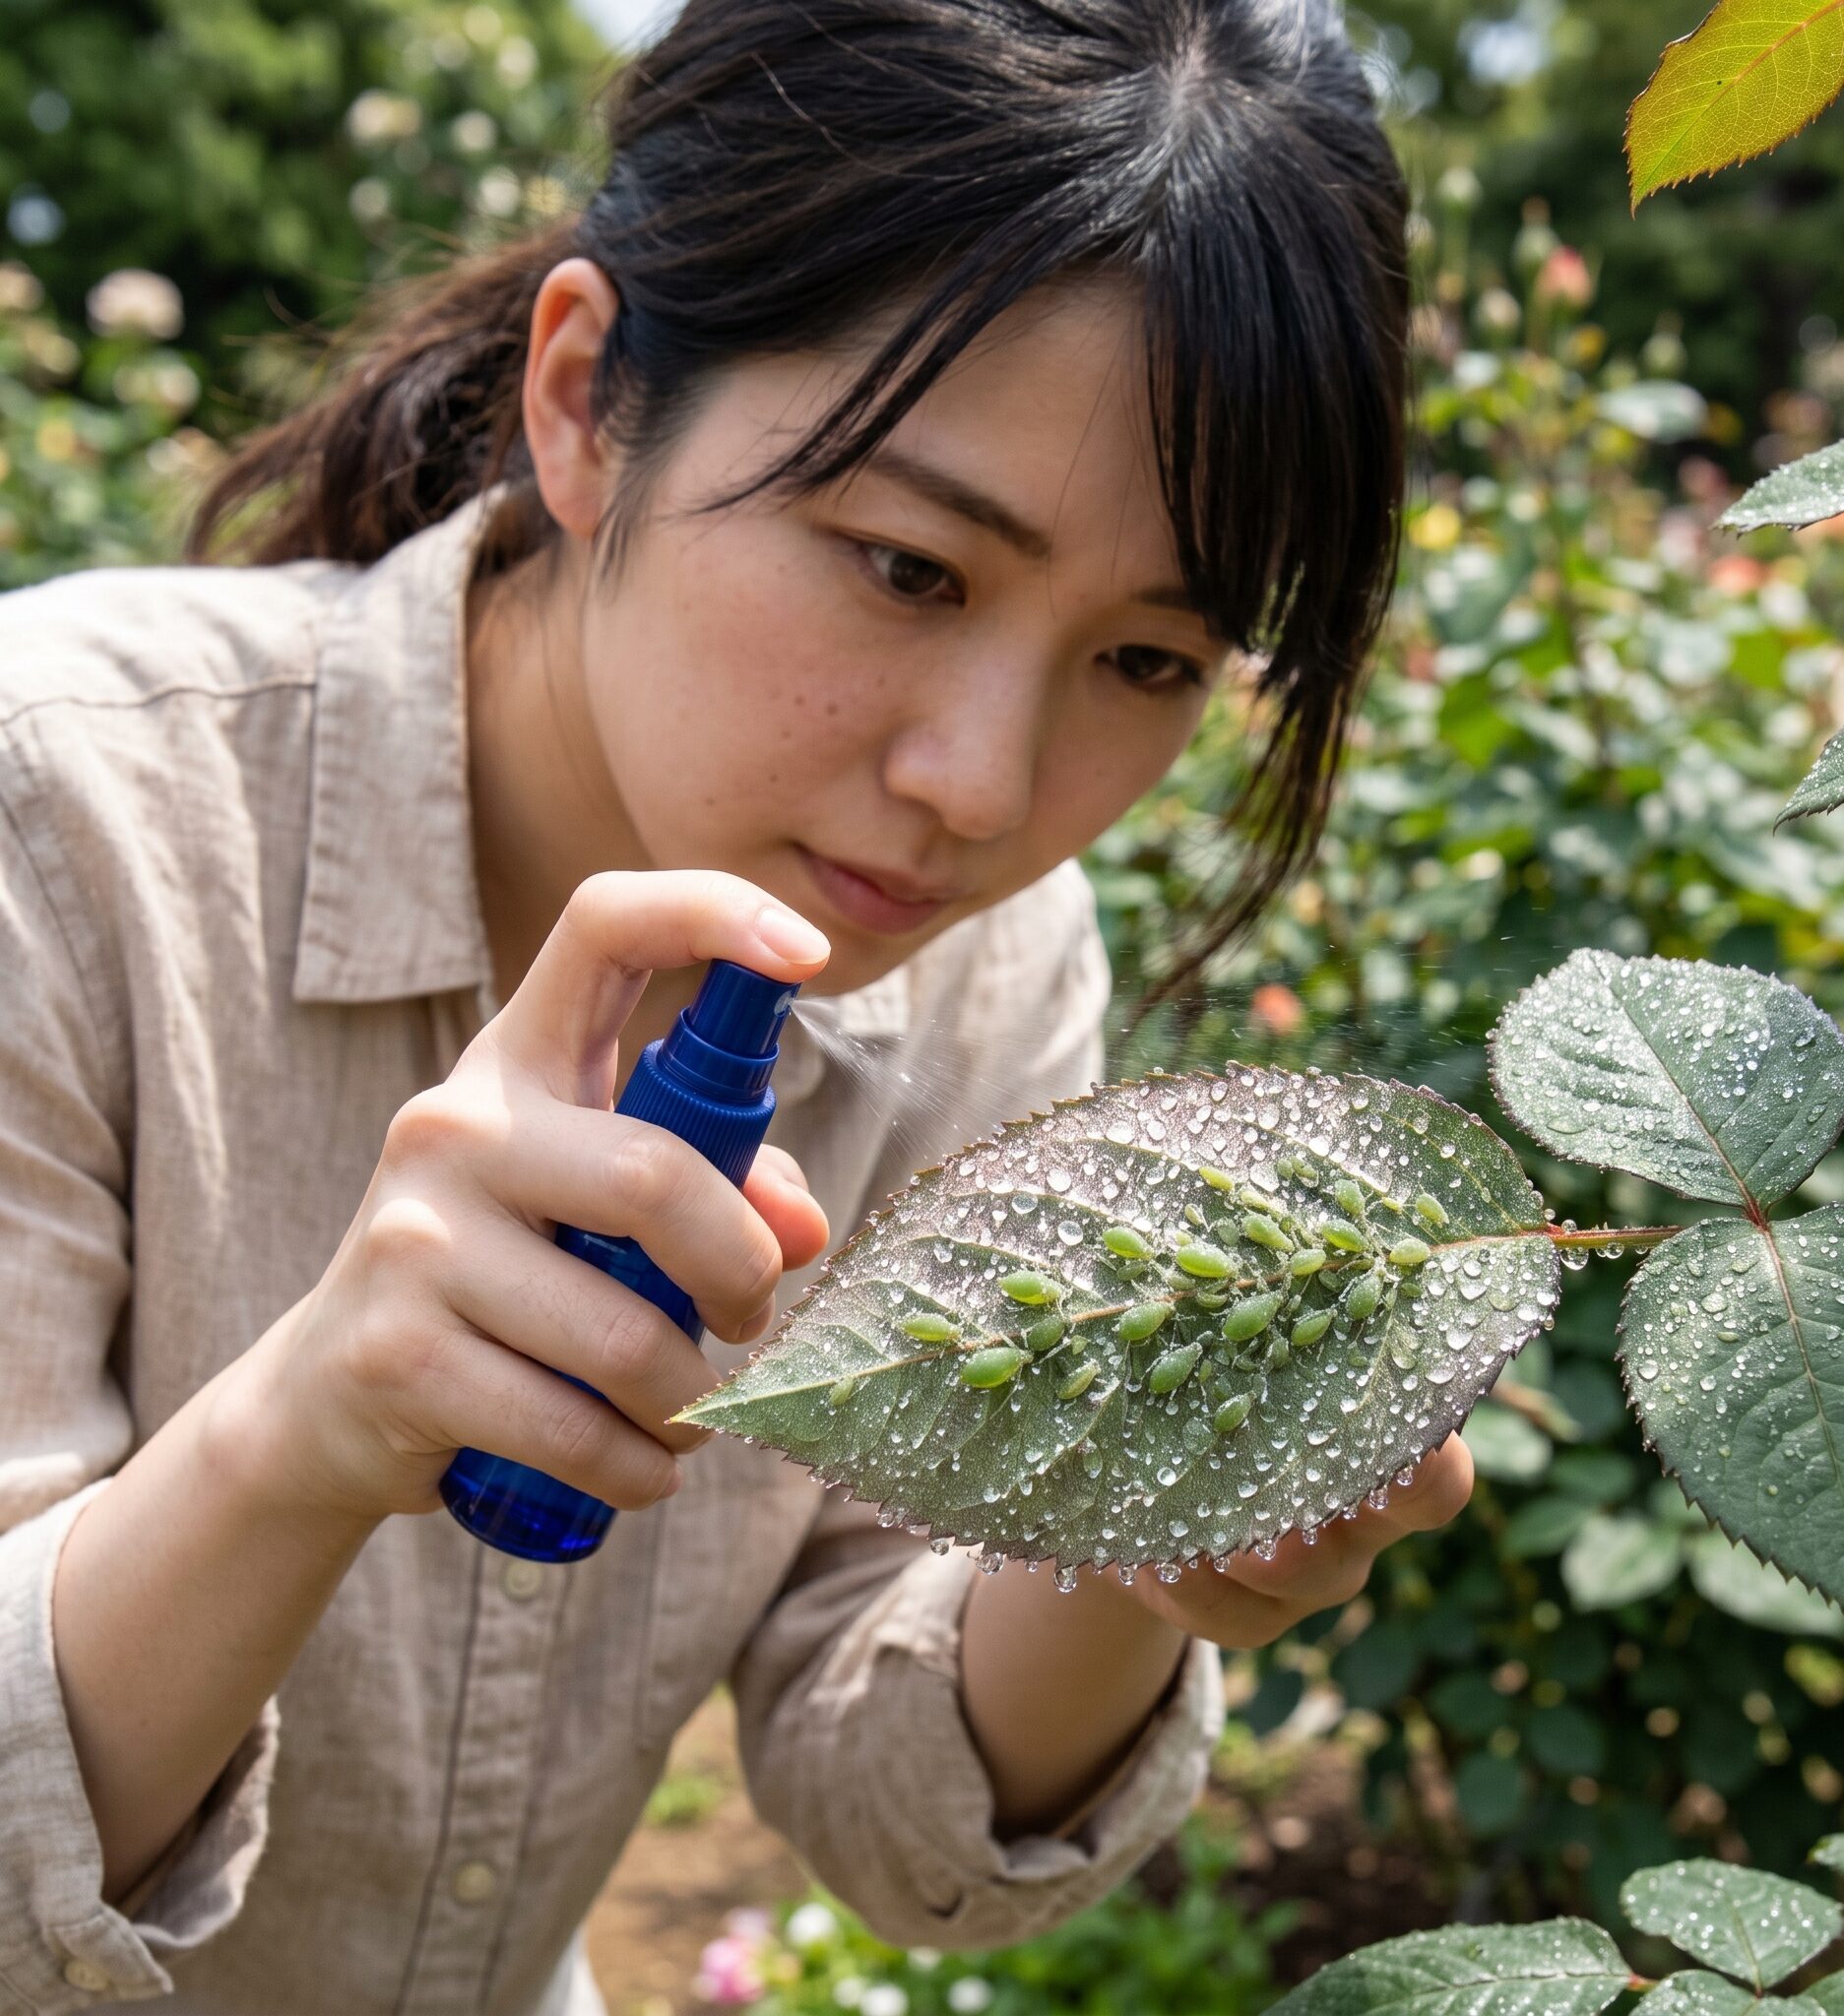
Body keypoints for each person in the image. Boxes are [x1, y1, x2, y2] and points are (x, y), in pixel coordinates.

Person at [0, 2, 1474, 2010]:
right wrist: (306, 1425)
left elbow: (895, 1805)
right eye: (908, 567)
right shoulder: (65, 813)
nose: (981, 786)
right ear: (590, 397)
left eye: (1145, 662)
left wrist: (1138, 1554)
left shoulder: (990, 977)